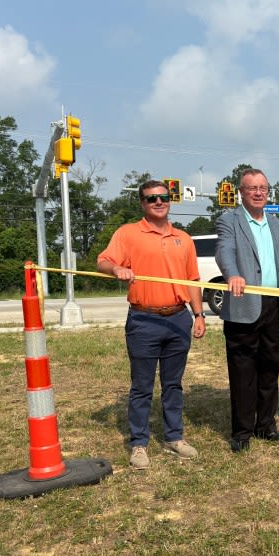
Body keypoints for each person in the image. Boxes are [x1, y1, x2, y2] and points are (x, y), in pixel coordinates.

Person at [97, 179, 207, 470]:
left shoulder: (184, 238)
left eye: (163, 197)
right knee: (142, 386)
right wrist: (117, 268)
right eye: (151, 199)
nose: (158, 202)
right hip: (143, 319)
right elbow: (103, 261)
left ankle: (174, 437)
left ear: (170, 200)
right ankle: (139, 443)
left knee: (173, 384)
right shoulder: (128, 233)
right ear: (142, 203)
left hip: (178, 318)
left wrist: (198, 315)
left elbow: (192, 280)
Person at [215, 168, 279, 452]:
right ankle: (241, 432)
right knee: (243, 372)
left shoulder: (277, 225)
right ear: (241, 192)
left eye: (263, 187)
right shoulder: (230, 220)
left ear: (268, 191)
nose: (258, 192)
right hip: (243, 305)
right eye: (251, 187)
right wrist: (232, 275)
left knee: (269, 369)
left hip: (272, 306)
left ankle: (266, 426)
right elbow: (224, 251)